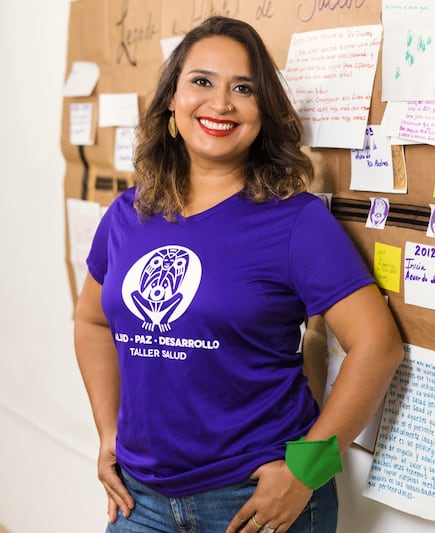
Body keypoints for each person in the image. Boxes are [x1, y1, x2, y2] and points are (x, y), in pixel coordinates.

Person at [73, 16, 404, 533]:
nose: (221, 103)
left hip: (257, 503)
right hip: (140, 501)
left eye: (243, 88)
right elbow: (92, 322)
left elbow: (378, 346)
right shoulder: (126, 214)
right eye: (201, 81)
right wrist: (108, 429)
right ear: (170, 102)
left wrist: (305, 473)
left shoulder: (295, 220)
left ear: (263, 113)